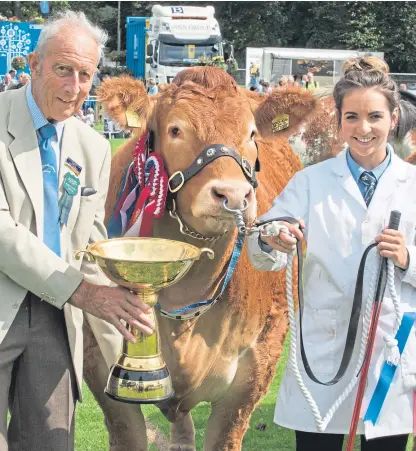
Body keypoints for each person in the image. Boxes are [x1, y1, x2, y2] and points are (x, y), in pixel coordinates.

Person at [0, 11, 154, 450]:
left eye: (84, 74)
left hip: (56, 317)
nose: (73, 87)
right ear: (34, 65)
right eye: (62, 69)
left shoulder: (91, 147)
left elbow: (90, 243)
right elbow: (3, 234)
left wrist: (131, 304)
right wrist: (84, 293)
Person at [248, 56, 416, 451]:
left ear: (394, 119)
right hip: (322, 352)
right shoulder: (309, 182)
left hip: (387, 355)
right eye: (352, 117)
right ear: (339, 121)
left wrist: (409, 258)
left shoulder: (413, 185)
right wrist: (275, 238)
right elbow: (261, 245)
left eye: (375, 116)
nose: (364, 128)